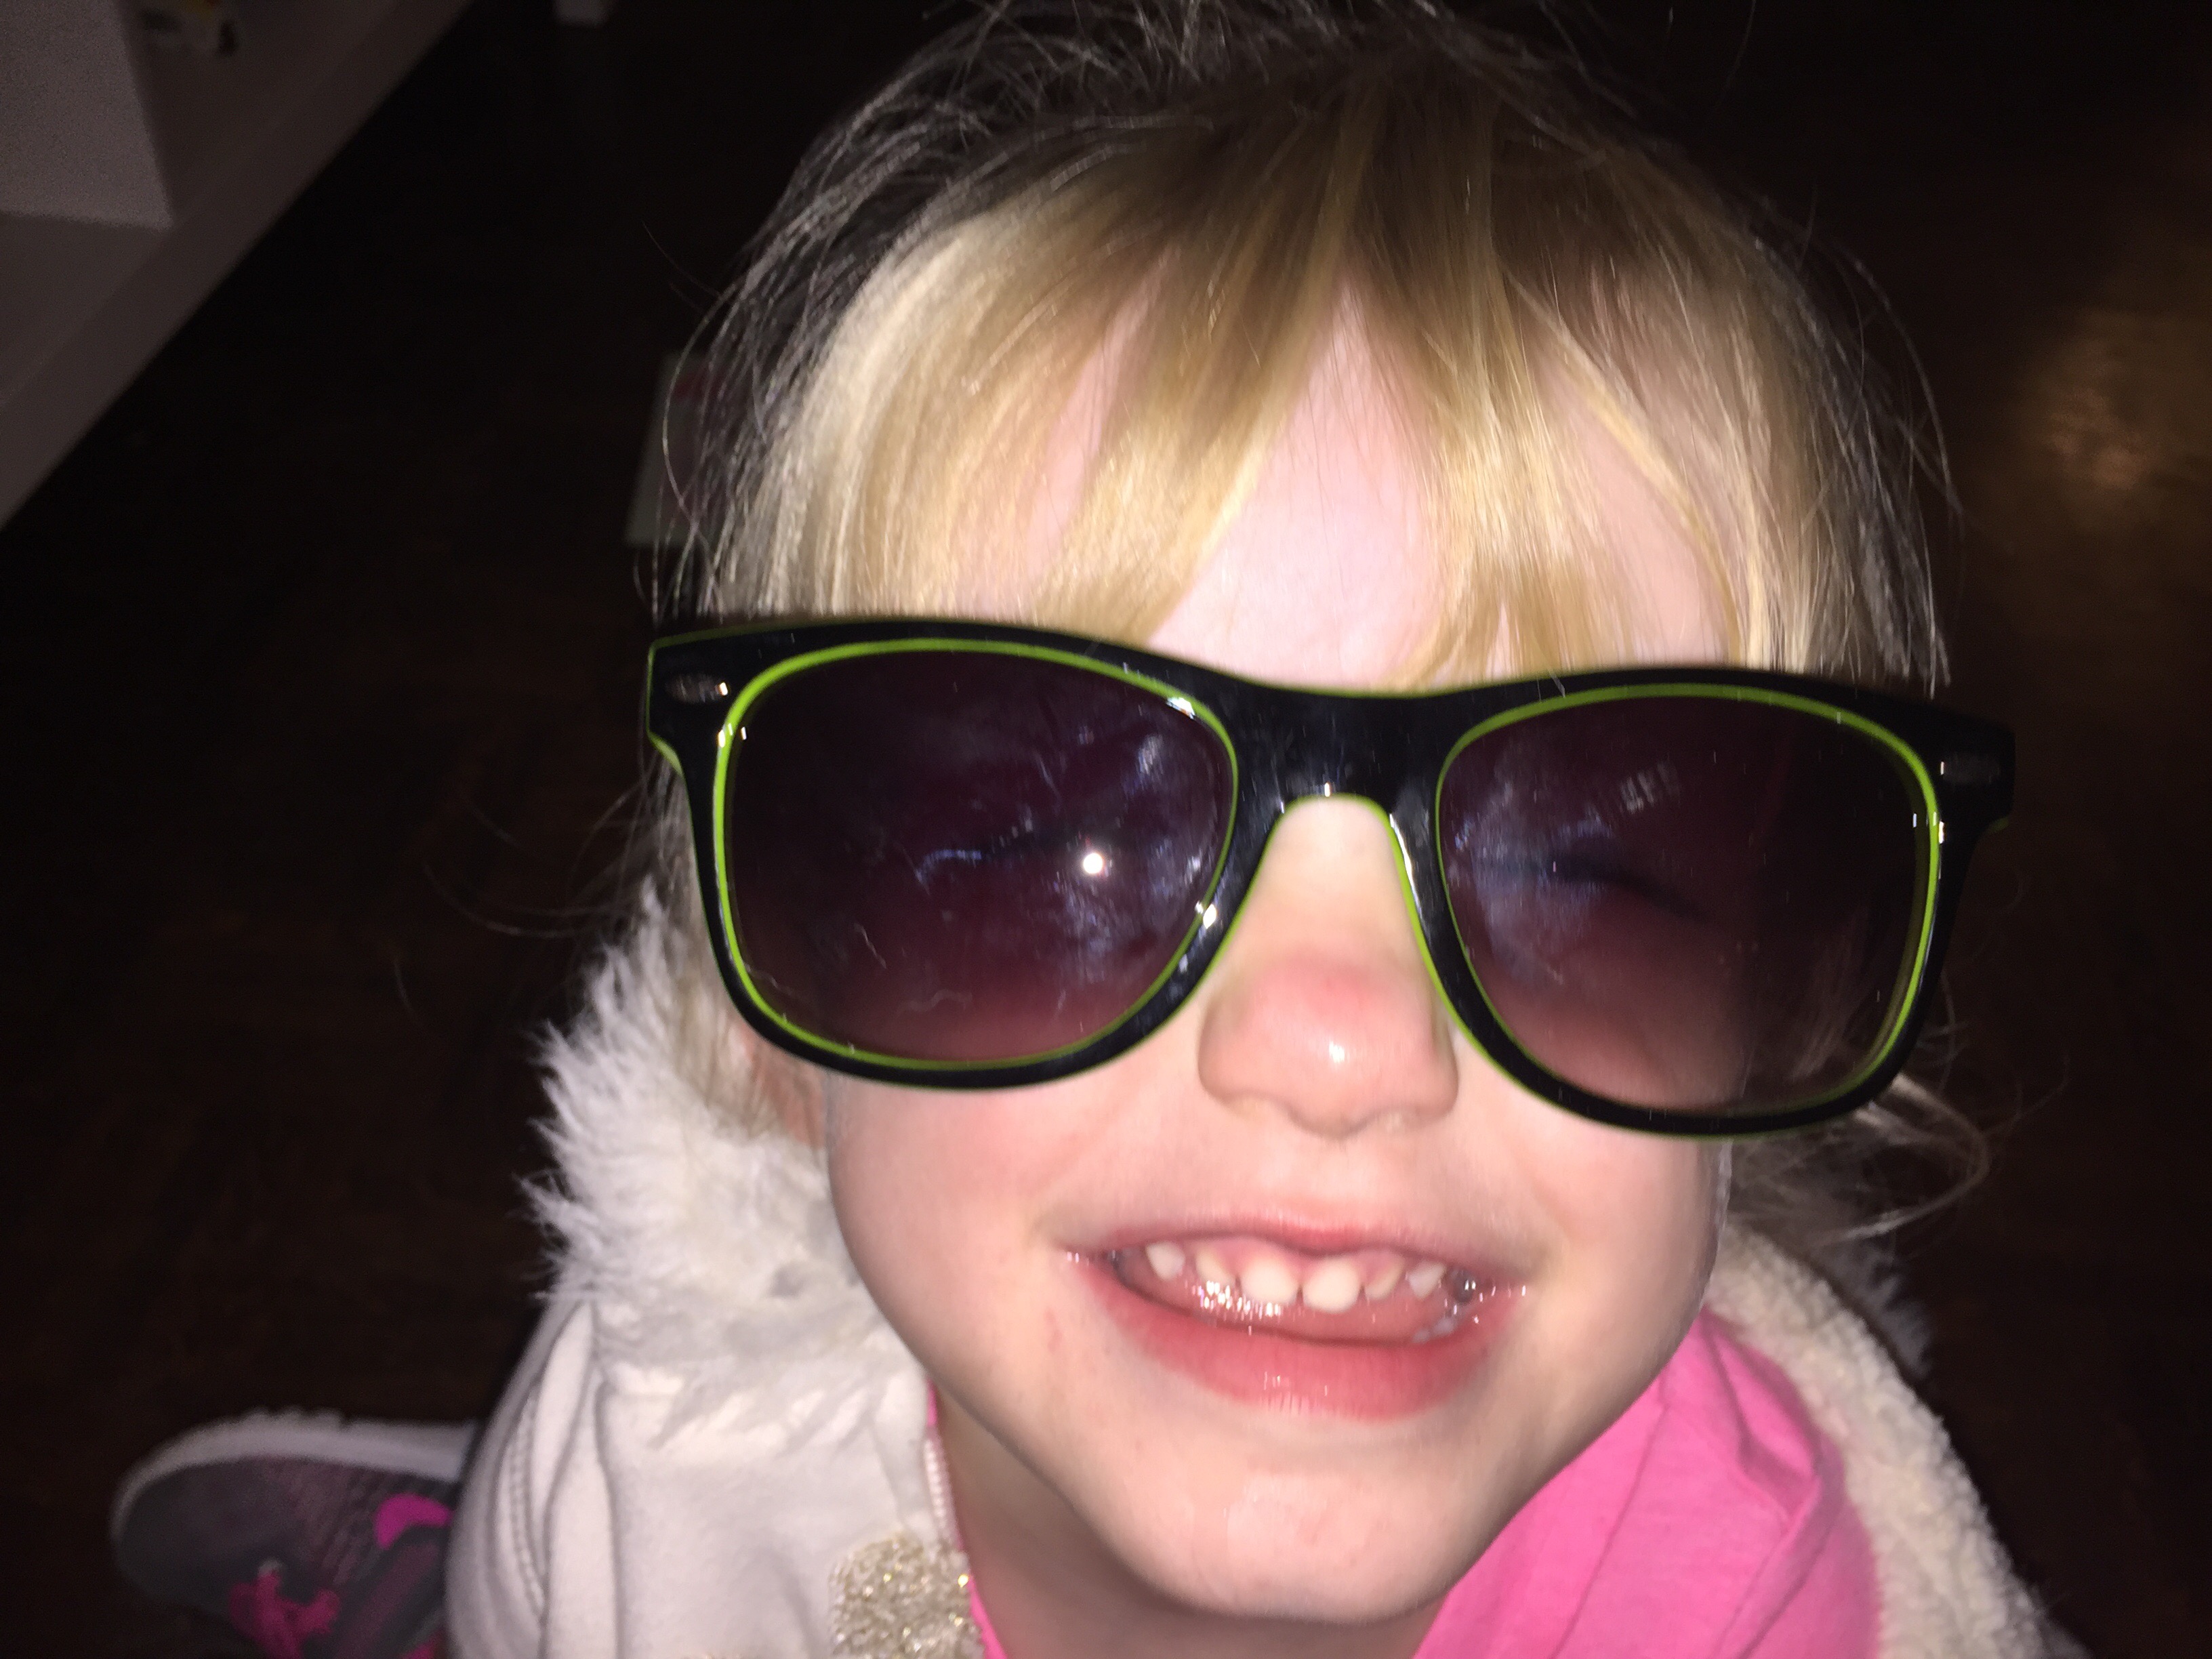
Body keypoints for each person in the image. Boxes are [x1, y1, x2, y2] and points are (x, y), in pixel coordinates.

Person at [111, 2, 2082, 1654]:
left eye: (1591, 874)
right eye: (1040, 844)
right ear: (773, 1016)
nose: (1337, 1046)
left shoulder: (1776, 1608)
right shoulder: (656, 1464)